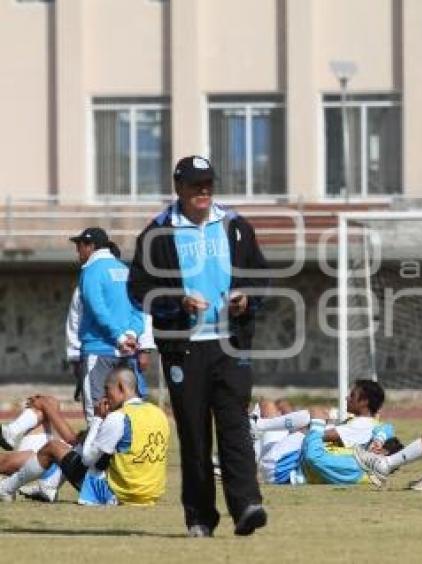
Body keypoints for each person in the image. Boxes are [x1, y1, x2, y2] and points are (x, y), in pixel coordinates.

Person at [128, 155, 269, 537]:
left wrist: (246, 299)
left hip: (230, 346)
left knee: (236, 426)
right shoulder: (157, 233)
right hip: (184, 350)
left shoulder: (236, 226)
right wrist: (178, 303)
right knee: (194, 434)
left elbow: (261, 278)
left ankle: (247, 506)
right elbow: (138, 290)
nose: (203, 190)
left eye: (208, 182)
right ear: (179, 188)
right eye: (195, 184)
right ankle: (200, 517)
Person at [0, 366, 170, 506]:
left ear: (120, 387)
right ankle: (47, 486)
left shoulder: (119, 417)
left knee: (53, 447)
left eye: (107, 389)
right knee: (77, 447)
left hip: (118, 495)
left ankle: (6, 488)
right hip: (150, 495)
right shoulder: (159, 414)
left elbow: (87, 459)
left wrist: (97, 419)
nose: (104, 396)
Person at [71, 227, 146, 425]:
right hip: (127, 352)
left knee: (96, 411)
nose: (77, 251)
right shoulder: (125, 270)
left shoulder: (90, 271)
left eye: (79, 246)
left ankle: (98, 455)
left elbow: (97, 308)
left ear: (91, 246)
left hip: (99, 348)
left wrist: (119, 338)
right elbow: (139, 308)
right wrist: (131, 334)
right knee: (127, 410)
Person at [252, 380, 388, 485]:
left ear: (364, 402)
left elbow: (317, 434)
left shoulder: (363, 425)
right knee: (268, 405)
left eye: (352, 395)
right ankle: (254, 432)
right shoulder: (358, 421)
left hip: (280, 467)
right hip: (277, 461)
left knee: (312, 412)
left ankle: (256, 426)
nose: (346, 398)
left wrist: (314, 422)